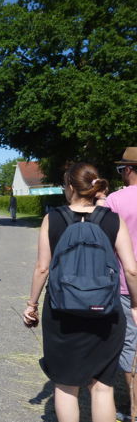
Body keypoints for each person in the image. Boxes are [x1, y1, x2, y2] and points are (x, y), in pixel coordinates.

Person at [22, 163, 137, 422]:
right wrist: (135, 305)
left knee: (65, 385)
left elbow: (42, 268)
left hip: (62, 313)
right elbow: (131, 270)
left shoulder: (53, 219)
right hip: (106, 311)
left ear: (71, 187)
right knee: (102, 387)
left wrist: (31, 305)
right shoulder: (112, 218)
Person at [100, 148, 137, 421]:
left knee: (129, 344)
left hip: (127, 283)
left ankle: (134, 409)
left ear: (129, 169)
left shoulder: (115, 200)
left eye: (121, 169)